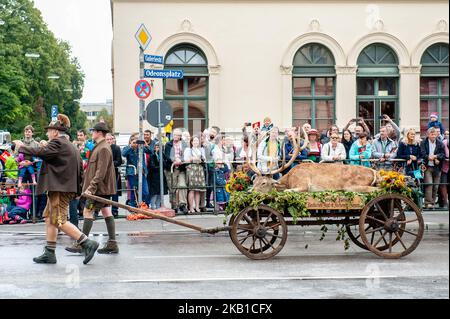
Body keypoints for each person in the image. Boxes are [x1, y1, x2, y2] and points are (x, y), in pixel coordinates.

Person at [17, 114, 99, 264]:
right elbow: (80, 169)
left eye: (49, 130)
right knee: (49, 217)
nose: (47, 133)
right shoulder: (69, 145)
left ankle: (87, 242)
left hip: (60, 188)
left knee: (58, 220)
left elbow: (41, 152)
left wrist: (21, 147)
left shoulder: (57, 143)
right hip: (63, 187)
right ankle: (50, 252)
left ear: (55, 131)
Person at [66, 122, 118, 254]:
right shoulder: (99, 147)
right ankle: (112, 243)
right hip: (100, 188)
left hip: (99, 189)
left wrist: (91, 187)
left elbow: (101, 171)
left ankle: (83, 244)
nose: (92, 133)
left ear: (99, 132)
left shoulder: (104, 148)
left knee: (87, 212)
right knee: (106, 211)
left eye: (93, 131)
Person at [122, 135, 151, 207]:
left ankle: (144, 205)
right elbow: (123, 154)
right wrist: (131, 146)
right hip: (132, 173)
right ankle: (133, 206)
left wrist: (145, 144)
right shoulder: (127, 148)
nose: (136, 144)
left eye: (137, 142)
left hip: (142, 172)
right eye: (134, 142)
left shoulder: (141, 147)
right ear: (130, 141)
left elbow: (150, 152)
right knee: (133, 191)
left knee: (146, 191)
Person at [420, 127, 446, 209]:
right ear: (428, 134)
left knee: (435, 186)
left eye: (434, 134)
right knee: (429, 184)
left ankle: (433, 202)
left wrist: (436, 157)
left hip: (437, 168)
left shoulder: (440, 143)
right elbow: (422, 153)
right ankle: (428, 203)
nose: (433, 136)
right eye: (432, 134)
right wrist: (428, 157)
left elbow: (443, 154)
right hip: (427, 167)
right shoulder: (424, 143)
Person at [164, 128, 188, 214]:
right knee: (172, 188)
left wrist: (180, 160)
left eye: (178, 135)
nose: (176, 137)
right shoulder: (168, 144)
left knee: (182, 185)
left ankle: (182, 204)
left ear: (181, 136)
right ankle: (174, 206)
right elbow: (166, 155)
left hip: (181, 168)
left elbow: (186, 154)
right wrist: (174, 160)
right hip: (171, 168)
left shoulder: (184, 144)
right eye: (175, 135)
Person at [184, 136, 207, 213]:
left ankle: (197, 207)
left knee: (198, 190)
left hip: (199, 169)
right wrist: (193, 158)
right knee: (192, 189)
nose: (196, 142)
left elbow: (204, 159)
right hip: (191, 169)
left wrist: (201, 159)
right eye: (194, 141)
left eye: (197, 141)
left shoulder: (201, 150)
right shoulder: (188, 150)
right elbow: (185, 160)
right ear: (191, 142)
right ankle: (191, 207)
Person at [106, 133, 123, 218]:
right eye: (107, 139)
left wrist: (109, 164)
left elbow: (119, 161)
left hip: (114, 173)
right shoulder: (103, 148)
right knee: (105, 192)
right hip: (104, 174)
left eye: (110, 139)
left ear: (113, 140)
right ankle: (106, 211)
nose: (109, 141)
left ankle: (115, 210)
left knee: (114, 192)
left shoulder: (116, 148)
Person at [148, 142, 169, 209]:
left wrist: (162, 161)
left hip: (161, 176)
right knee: (154, 192)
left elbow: (166, 165)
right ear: (154, 148)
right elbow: (152, 166)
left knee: (161, 192)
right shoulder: (152, 155)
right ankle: (153, 206)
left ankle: (158, 206)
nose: (158, 149)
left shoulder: (163, 155)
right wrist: (160, 167)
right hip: (154, 176)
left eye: (160, 147)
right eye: (157, 147)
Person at [438, 136, 448, 208]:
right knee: (443, 184)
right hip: (444, 168)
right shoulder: (444, 143)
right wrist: (445, 158)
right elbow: (441, 154)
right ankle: (444, 202)